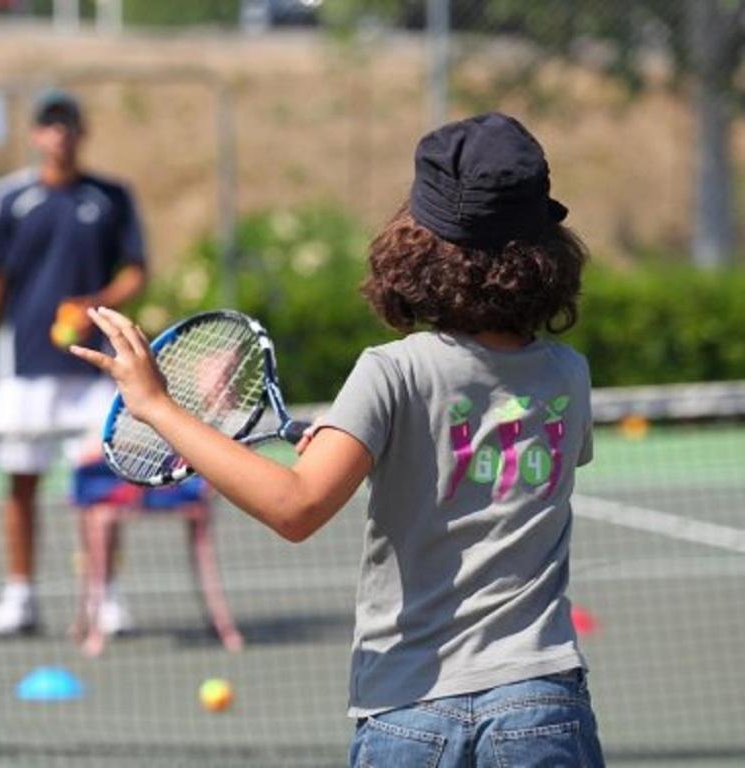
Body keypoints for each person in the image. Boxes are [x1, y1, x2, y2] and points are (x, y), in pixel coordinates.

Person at [71, 113, 606, 766]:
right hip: (543, 704)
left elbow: (296, 507)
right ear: (546, 251)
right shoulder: (568, 375)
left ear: (414, 242)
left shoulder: (392, 371)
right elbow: (476, 444)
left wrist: (156, 405)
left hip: (413, 708)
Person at [0, 89, 147, 640]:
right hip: (22, 368)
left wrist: (95, 300)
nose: (59, 135)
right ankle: (19, 597)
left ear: (81, 132)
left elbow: (137, 272)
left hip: (93, 370)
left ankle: (104, 597)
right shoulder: (9, 197)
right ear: (35, 134)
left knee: (98, 485)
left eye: (68, 125)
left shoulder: (112, 196)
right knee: (20, 481)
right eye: (49, 126)